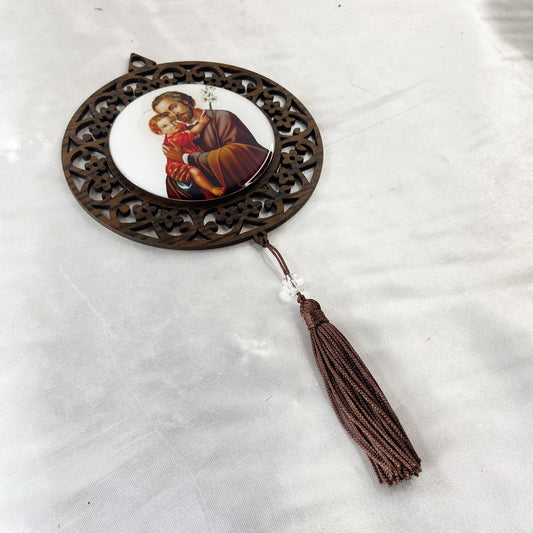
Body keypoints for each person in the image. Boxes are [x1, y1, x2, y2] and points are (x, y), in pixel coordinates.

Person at [152, 91, 270, 200]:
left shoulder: (222, 117)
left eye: (173, 107)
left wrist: (185, 158)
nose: (174, 115)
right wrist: (183, 181)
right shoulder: (179, 134)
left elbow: (237, 153)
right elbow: (175, 176)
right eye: (167, 114)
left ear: (185, 101)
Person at [148, 112, 226, 199]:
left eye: (172, 121)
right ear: (160, 132)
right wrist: (201, 123)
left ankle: (208, 193)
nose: (173, 125)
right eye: (165, 126)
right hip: (177, 165)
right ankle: (212, 189)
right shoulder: (175, 138)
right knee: (195, 172)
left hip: (187, 158)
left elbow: (183, 125)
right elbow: (194, 132)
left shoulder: (177, 128)